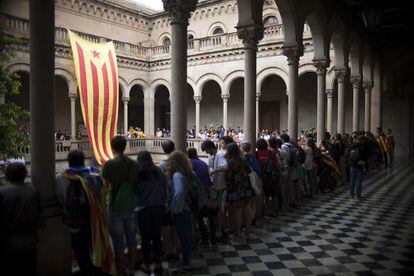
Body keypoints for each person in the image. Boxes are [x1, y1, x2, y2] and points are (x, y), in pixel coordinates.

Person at [56, 150, 115, 275]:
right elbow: (102, 194)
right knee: (97, 250)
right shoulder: (95, 173)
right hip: (96, 221)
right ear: (83, 160)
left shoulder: (61, 177)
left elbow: (60, 200)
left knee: (82, 255)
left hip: (75, 224)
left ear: (69, 161)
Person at [102, 135, 138, 276]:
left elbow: (105, 187)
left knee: (118, 242)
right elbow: (134, 184)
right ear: (125, 146)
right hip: (130, 205)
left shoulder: (109, 164)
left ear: (112, 147)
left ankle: (121, 270)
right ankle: (132, 269)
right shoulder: (134, 164)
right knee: (132, 239)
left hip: (115, 207)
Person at [0, 163, 37, 276]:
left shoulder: (3, 192)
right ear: (24, 174)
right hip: (30, 242)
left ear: (8, 175)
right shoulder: (32, 190)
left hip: (9, 243)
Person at [135, 151, 166, 274]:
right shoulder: (158, 171)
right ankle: (158, 263)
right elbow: (164, 188)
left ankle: (147, 264)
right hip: (158, 207)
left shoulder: (138, 173)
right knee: (157, 236)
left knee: (145, 238)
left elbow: (135, 191)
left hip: (143, 209)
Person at [166, 151, 194, 274]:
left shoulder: (177, 175)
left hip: (181, 210)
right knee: (186, 237)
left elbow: (180, 192)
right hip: (187, 209)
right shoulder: (186, 173)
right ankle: (186, 261)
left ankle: (186, 263)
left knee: (184, 237)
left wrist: (175, 208)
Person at [225, 143, 255, 241]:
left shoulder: (230, 163)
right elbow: (249, 172)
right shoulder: (243, 160)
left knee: (237, 212)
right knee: (247, 211)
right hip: (246, 188)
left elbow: (229, 178)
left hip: (236, 189)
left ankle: (237, 234)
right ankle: (248, 233)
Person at [187, 148, 217, 247]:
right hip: (207, 192)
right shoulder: (203, 163)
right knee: (211, 215)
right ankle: (213, 237)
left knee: (199, 217)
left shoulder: (189, 164)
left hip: (198, 195)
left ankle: (204, 238)